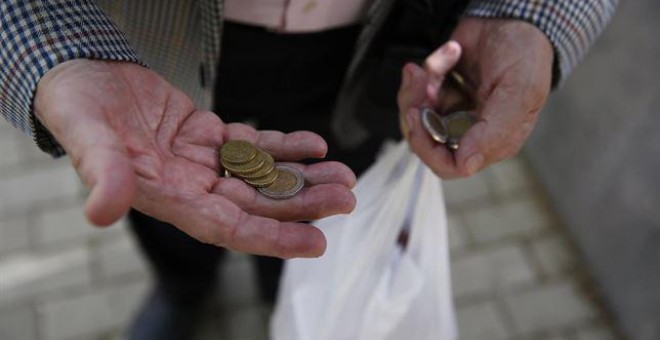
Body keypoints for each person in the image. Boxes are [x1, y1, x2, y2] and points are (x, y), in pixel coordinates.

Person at [1, 0, 617, 339]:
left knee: (313, 219)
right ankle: (183, 288)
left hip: (373, 50)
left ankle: (283, 299)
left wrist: (534, 12)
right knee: (165, 206)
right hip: (146, 47)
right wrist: (52, 50)